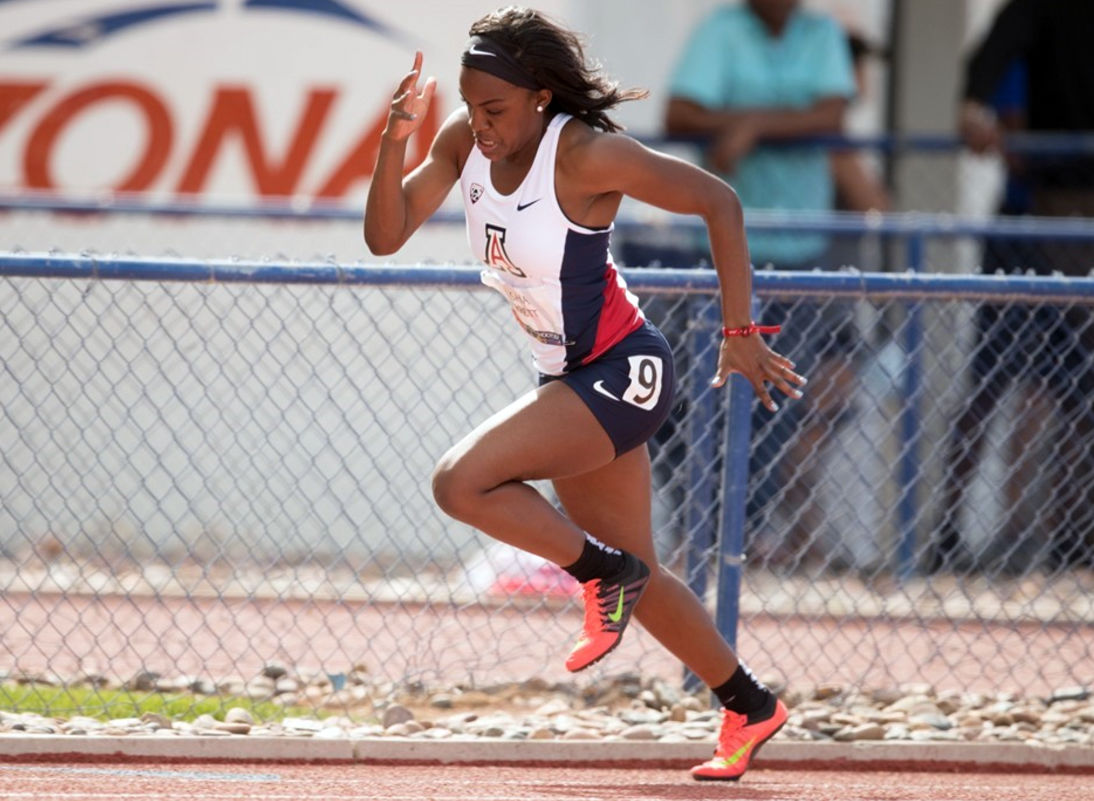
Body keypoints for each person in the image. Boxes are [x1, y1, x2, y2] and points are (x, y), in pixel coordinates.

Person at [363, 6, 805, 782]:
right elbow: (385, 233)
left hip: (624, 369)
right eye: (471, 106)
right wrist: (394, 141)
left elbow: (720, 202)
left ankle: (603, 575)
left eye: (495, 109)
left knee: (459, 482)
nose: (481, 124)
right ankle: (749, 702)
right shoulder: (463, 142)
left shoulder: (587, 155)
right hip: (569, 378)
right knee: (643, 570)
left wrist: (741, 336)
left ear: (540, 96)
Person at [663, 0, 857, 569]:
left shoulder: (821, 34)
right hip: (724, 258)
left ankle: (742, 539)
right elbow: (679, 113)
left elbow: (832, 115)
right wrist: (752, 125)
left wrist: (752, 124)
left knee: (777, 402)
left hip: (798, 257)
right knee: (697, 398)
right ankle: (697, 530)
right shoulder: (720, 30)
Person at [933, 0, 1094, 573]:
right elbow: (1005, 127)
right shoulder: (1031, 26)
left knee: (1077, 394)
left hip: (1069, 220)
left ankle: (1072, 538)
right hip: (1028, 228)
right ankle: (945, 534)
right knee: (990, 384)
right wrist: (979, 111)